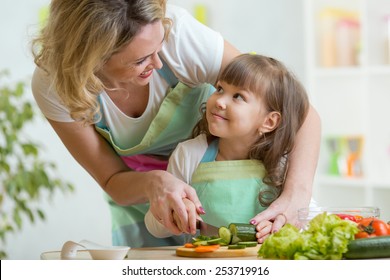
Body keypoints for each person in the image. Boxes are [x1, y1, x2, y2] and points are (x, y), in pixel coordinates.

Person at [31, 0, 321, 248]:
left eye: (159, 48)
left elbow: (300, 113)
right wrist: (156, 182)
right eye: (141, 59)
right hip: (140, 200)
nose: (158, 64)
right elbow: (112, 180)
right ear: (91, 59)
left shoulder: (178, 35)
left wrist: (296, 197)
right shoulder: (55, 85)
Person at [145, 53, 316, 242]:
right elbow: (154, 228)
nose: (219, 100)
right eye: (219, 89)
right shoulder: (189, 154)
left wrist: (281, 226)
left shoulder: (283, 164)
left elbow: (307, 215)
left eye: (238, 96)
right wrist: (175, 209)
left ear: (269, 121)